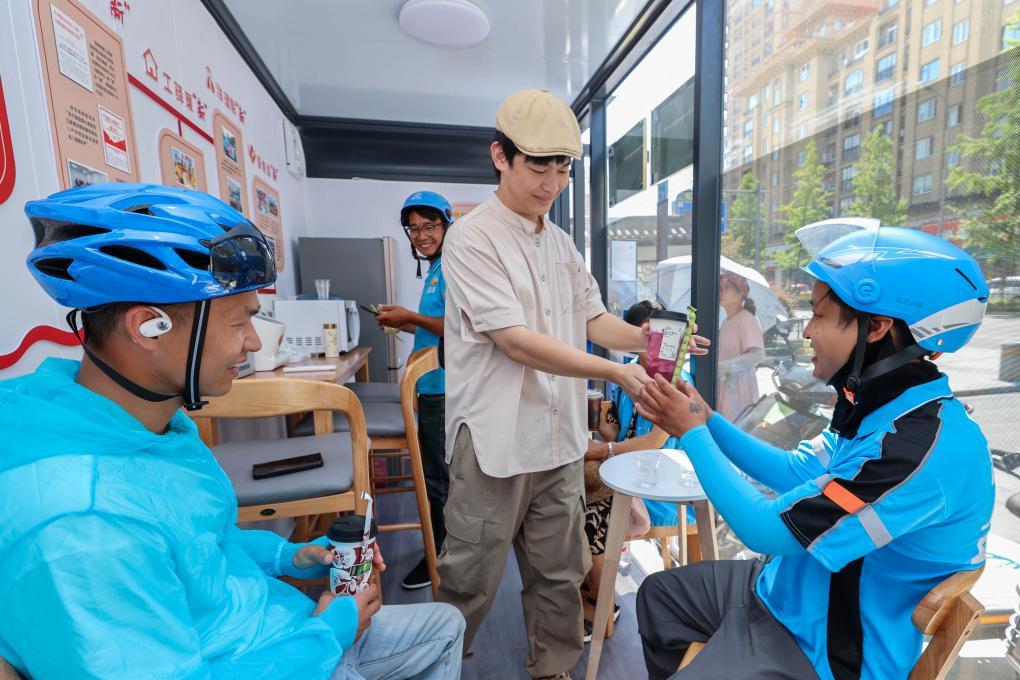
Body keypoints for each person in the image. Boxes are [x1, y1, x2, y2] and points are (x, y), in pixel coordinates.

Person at [0, 183, 465, 680]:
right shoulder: (85, 528)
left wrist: (293, 555)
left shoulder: (144, 421)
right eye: (240, 321)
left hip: (267, 629)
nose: (253, 342)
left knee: (445, 624)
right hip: (264, 657)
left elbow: (205, 546)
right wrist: (329, 633)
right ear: (148, 326)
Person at [634, 221, 994, 680]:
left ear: (877, 327)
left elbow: (766, 530)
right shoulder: (882, 409)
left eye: (818, 315)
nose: (806, 331)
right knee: (659, 597)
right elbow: (792, 470)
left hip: (820, 650)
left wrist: (690, 434)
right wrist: (706, 419)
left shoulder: (915, 452)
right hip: (783, 594)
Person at [439, 89, 706, 679]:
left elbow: (594, 319)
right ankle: (439, 665)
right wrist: (614, 370)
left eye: (563, 169)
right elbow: (514, 340)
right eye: (539, 166)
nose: (552, 183)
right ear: (500, 156)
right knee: (470, 576)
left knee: (559, 573)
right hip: (493, 438)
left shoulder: (560, 244)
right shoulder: (472, 238)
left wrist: (649, 341)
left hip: (558, 437)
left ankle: (553, 669)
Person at [581, 300, 698, 642]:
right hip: (631, 475)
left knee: (591, 505)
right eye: (650, 333)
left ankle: (602, 603)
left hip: (662, 488)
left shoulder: (676, 381)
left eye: (664, 334)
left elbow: (655, 442)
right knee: (568, 490)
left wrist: (601, 450)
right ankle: (587, 588)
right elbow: (621, 432)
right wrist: (597, 421)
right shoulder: (630, 373)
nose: (658, 343)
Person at [376, 191, 453, 591]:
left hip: (443, 387)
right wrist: (404, 323)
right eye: (414, 228)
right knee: (436, 476)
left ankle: (440, 559)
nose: (421, 235)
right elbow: (433, 328)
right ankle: (443, 551)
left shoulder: (452, 266)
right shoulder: (437, 267)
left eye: (429, 226)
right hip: (430, 386)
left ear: (447, 225)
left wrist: (409, 316)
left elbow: (459, 327)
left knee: (438, 480)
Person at [716, 271, 765, 420]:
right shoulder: (725, 322)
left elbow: (758, 355)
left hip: (740, 384)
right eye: (719, 288)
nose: (721, 292)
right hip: (725, 384)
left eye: (726, 288)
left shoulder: (746, 319)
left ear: (740, 293)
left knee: (736, 424)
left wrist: (725, 367)